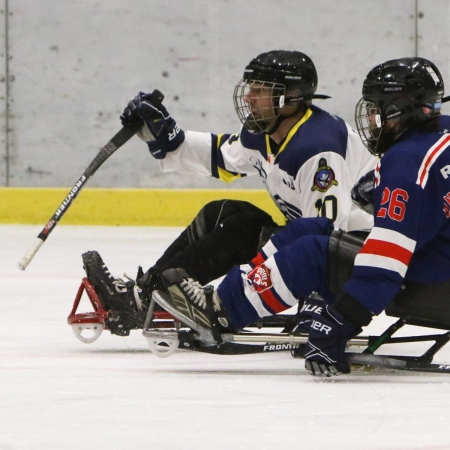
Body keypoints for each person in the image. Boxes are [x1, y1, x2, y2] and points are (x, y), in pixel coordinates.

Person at [155, 56, 450, 376]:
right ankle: (231, 298)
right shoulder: (440, 134)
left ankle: (222, 314)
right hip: (437, 259)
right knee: (309, 228)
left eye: (376, 108)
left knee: (312, 252)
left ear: (398, 110)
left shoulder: (406, 162)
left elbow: (387, 259)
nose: (370, 118)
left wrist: (342, 321)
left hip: (434, 287)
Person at [82, 50, 376, 335]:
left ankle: (177, 300)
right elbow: (223, 158)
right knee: (222, 212)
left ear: (291, 98)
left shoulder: (318, 149)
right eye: (250, 88)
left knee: (243, 231)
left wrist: (320, 311)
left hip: (358, 255)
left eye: (260, 90)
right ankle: (147, 295)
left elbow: (327, 234)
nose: (249, 97)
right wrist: (169, 138)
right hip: (322, 242)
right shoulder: (264, 132)